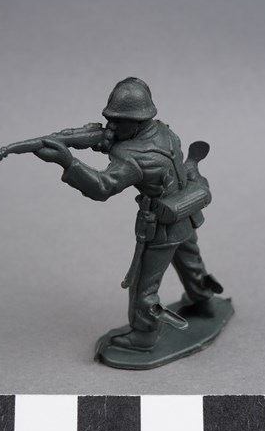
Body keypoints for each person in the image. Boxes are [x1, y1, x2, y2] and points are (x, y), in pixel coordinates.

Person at [33, 77, 223, 351]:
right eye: (109, 120)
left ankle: (143, 334)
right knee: (191, 264)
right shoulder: (165, 132)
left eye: (117, 121)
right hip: (186, 215)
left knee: (144, 286)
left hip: (160, 228)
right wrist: (102, 142)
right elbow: (149, 154)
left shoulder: (130, 156)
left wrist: (68, 162)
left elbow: (102, 187)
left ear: (136, 122)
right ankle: (203, 299)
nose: (110, 126)